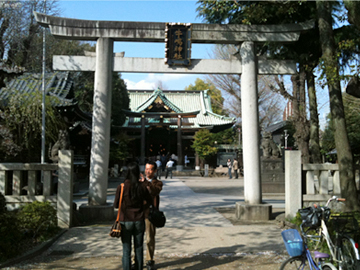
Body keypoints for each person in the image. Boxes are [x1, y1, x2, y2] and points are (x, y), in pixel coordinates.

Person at [113, 162, 152, 270]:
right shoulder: (141, 187)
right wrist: (142, 207)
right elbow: (149, 201)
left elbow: (116, 205)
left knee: (126, 249)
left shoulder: (121, 187)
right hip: (139, 219)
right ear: (137, 173)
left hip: (125, 220)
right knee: (139, 247)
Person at [140, 161, 163, 270]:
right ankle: (137, 260)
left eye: (149, 169)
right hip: (139, 213)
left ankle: (149, 260)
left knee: (149, 238)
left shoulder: (157, 183)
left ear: (154, 171)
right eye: (146, 169)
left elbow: (154, 191)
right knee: (138, 238)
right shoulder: (140, 181)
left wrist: (146, 183)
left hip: (150, 214)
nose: (147, 171)